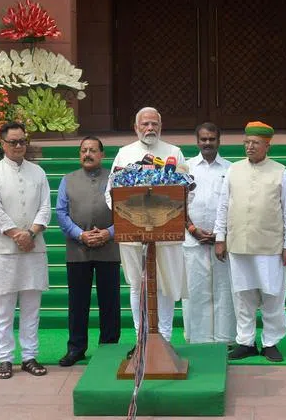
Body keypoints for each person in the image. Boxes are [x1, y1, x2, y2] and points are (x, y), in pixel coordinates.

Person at [214, 121, 286, 363]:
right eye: (247, 143)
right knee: (243, 296)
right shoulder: (233, 170)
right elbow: (223, 206)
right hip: (238, 244)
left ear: (267, 146)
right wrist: (220, 238)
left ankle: (271, 342)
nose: (250, 147)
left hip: (270, 247)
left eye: (255, 143)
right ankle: (245, 341)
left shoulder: (280, 171)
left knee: (272, 296)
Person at [105, 106, 188, 350]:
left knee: (165, 284)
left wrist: (171, 215)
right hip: (133, 234)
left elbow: (187, 191)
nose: (150, 128)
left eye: (154, 124)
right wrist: (128, 218)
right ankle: (142, 339)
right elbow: (110, 194)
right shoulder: (124, 154)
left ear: (160, 127)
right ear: (136, 128)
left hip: (166, 232)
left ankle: (164, 339)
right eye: (145, 124)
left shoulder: (174, 152)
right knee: (137, 284)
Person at [0, 121, 51, 379]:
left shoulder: (38, 172)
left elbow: (45, 208)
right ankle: (5, 359)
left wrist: (31, 233)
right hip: (4, 251)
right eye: (14, 142)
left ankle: (30, 356)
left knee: (32, 307)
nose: (19, 146)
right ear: (3, 144)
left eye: (22, 141)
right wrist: (16, 235)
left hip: (34, 247)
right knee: (5, 308)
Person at [54, 135, 121, 366]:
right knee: (78, 302)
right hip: (77, 249)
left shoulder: (115, 179)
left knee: (109, 301)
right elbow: (61, 213)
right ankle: (76, 349)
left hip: (109, 248)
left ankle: (109, 348)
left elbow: (124, 211)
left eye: (93, 150)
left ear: (102, 155)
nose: (88, 154)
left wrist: (108, 233)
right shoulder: (67, 179)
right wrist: (80, 234)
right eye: (84, 150)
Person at [182, 122, 235, 345]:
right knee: (195, 291)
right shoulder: (186, 168)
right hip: (192, 239)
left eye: (211, 139)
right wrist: (193, 229)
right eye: (203, 139)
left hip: (222, 241)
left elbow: (234, 205)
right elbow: (177, 203)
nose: (207, 143)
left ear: (219, 141)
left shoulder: (231, 169)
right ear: (197, 141)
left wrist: (220, 234)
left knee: (225, 291)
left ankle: (226, 339)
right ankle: (198, 339)